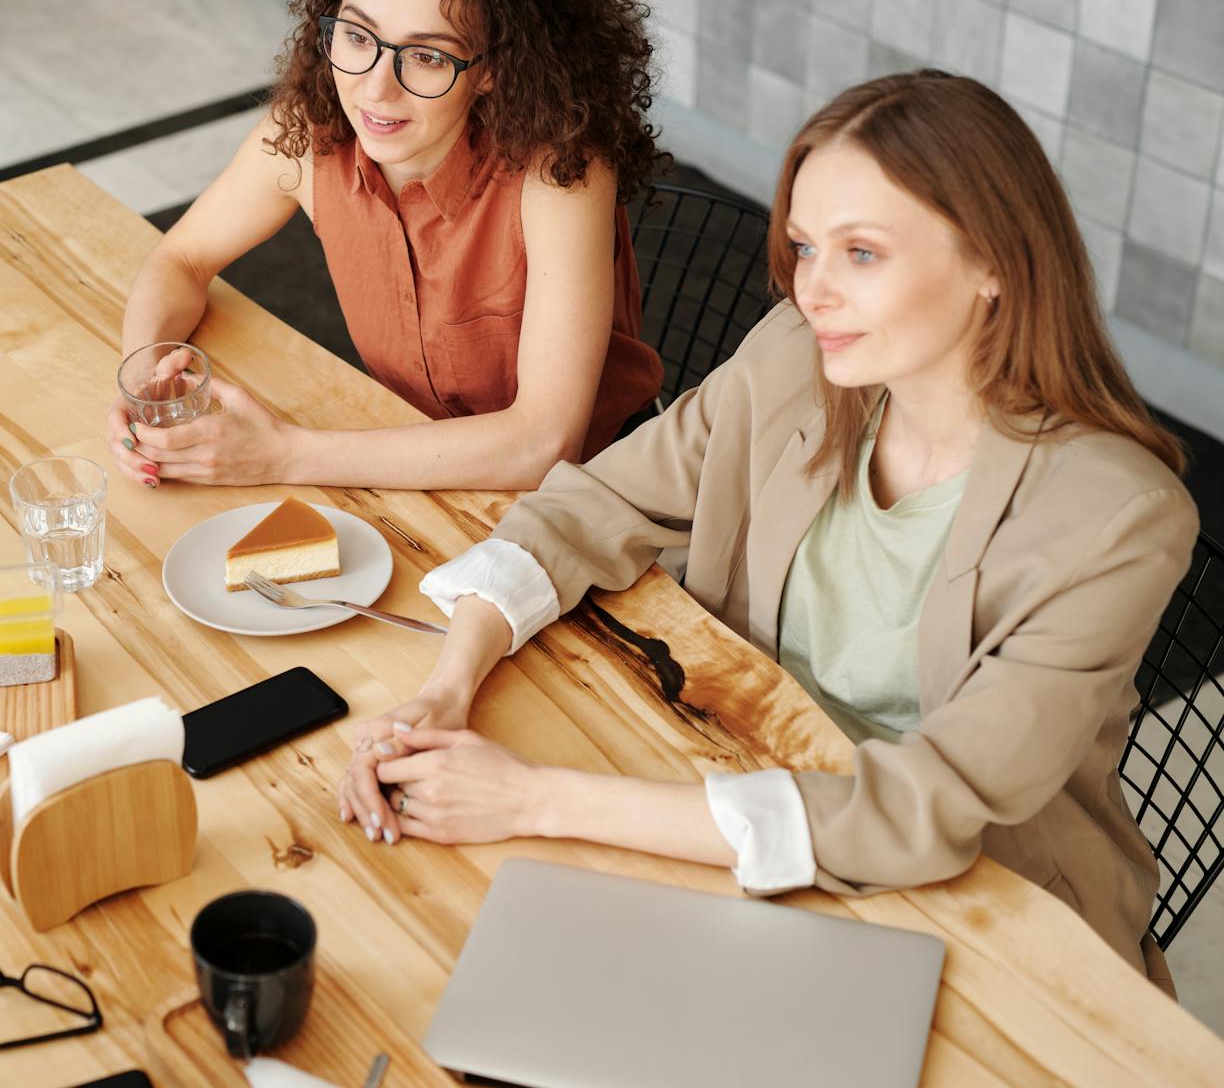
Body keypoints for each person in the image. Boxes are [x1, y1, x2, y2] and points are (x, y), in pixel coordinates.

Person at [335, 72, 1198, 990]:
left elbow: (924, 812)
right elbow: (590, 505)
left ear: (994, 262)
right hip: (737, 803)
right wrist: (449, 682)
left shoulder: (1117, 519)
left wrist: (531, 797)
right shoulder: (795, 357)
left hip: (983, 916)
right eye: (804, 246)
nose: (813, 289)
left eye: (862, 253)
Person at [107, 0, 664, 493]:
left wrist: (283, 456)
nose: (375, 88)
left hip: (587, 496)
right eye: (358, 34)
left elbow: (543, 442)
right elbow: (181, 257)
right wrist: (143, 380)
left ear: (493, 69)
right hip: (401, 466)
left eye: (426, 55)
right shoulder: (310, 131)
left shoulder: (560, 169)